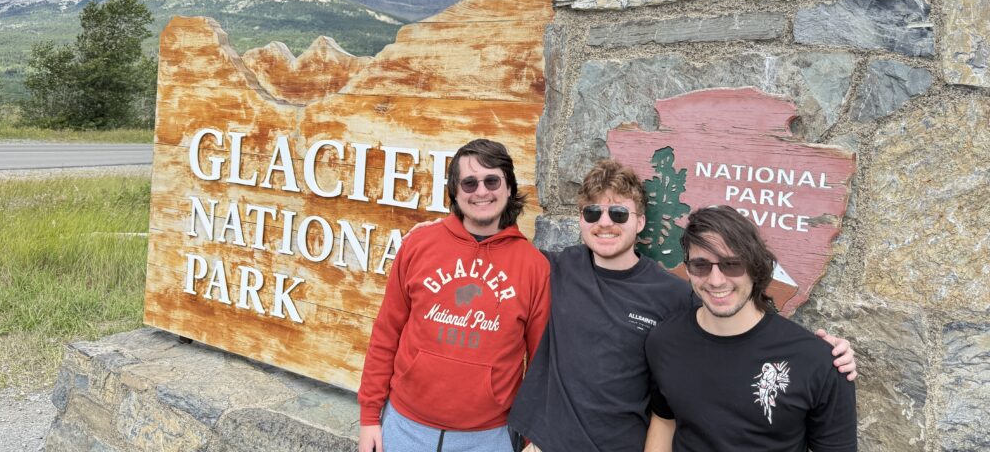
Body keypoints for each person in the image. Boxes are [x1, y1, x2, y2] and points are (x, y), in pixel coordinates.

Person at [507, 159, 855, 452]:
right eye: (593, 212)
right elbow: (488, 261)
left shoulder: (674, 295)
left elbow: (735, 330)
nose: (605, 222)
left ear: (640, 222)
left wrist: (827, 354)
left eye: (618, 212)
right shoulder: (553, 269)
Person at [357, 139, 551, 452]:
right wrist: (369, 418)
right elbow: (386, 334)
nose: (481, 191)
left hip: (489, 437)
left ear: (509, 187)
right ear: (455, 191)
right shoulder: (419, 245)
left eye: (492, 181)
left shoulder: (534, 266)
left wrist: (535, 439)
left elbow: (541, 362)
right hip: (405, 426)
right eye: (469, 183)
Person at [644, 205, 857, 452]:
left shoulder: (818, 361)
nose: (716, 280)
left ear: (755, 267)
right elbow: (664, 421)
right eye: (701, 265)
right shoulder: (664, 341)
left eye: (732, 264)